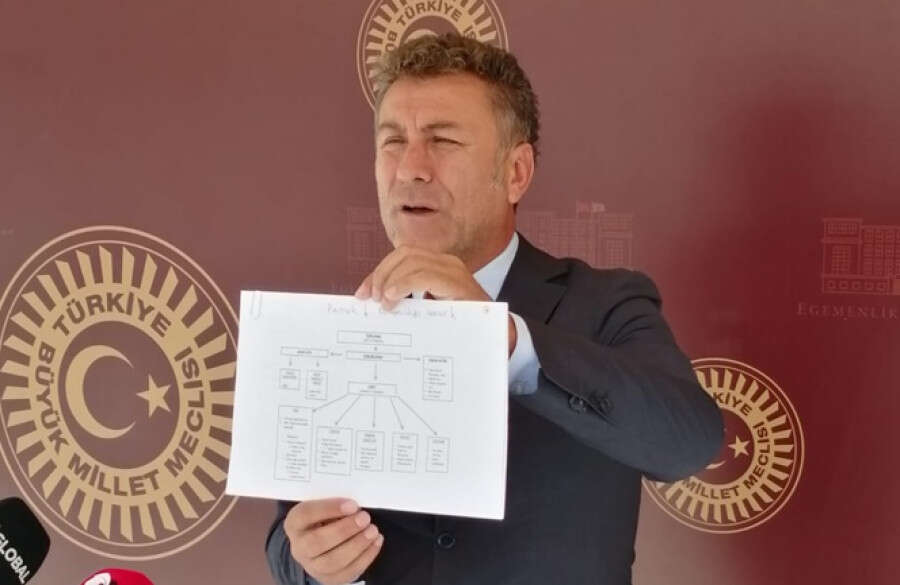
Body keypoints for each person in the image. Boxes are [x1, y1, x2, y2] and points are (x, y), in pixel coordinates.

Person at [266, 33, 723, 585]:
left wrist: (504, 339)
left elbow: (687, 443)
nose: (410, 168)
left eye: (443, 141)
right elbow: (290, 539)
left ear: (516, 173)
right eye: (393, 141)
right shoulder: (343, 331)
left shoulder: (605, 304)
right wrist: (313, 562)